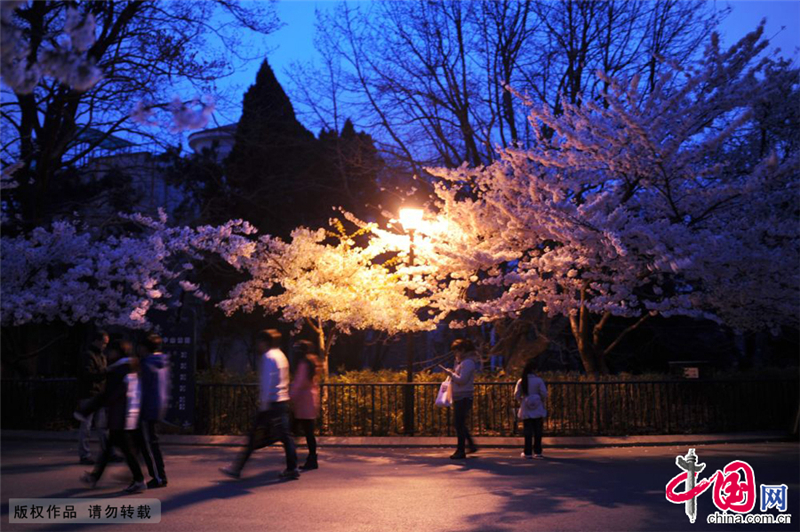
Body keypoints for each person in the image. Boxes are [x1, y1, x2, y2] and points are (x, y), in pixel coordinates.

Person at [220, 329, 299, 480]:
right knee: (286, 436)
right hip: (282, 401)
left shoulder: (268, 357)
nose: (258, 345)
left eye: (260, 342)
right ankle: (292, 468)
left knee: (254, 436)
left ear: (265, 342)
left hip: (270, 403)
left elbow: (266, 383)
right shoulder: (281, 355)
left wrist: (263, 405)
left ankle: (236, 468)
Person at [78, 340, 147, 493]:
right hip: (130, 415)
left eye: (110, 351)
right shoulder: (132, 367)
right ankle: (95, 477)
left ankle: (138, 479)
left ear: (116, 352)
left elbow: (108, 395)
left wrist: (86, 410)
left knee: (124, 450)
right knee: (110, 448)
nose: (108, 354)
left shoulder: (119, 370)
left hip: (120, 416)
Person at [136, 333, 170, 488]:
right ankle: (155, 475)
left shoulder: (145, 363)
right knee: (150, 443)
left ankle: (159, 477)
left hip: (147, 406)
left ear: (144, 348)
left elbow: (141, 387)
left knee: (149, 444)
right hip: (158, 405)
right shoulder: (162, 361)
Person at [75, 330, 110, 465]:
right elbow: (88, 374)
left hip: (97, 393)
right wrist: (105, 372)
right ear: (96, 341)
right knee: (87, 426)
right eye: (103, 343)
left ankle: (105, 452)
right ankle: (85, 454)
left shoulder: (100, 356)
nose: (104, 346)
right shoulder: (89, 356)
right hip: (89, 394)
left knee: (100, 426)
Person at [442, 338, 480, 460]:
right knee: (460, 423)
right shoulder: (463, 362)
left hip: (464, 396)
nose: (455, 353)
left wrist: (450, 374)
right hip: (461, 396)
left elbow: (462, 380)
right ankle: (470, 445)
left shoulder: (467, 362)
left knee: (459, 423)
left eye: (456, 351)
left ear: (462, 350)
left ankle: (461, 450)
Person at [290, 340, 320, 471]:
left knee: (292, 431)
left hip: (302, 402)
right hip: (310, 401)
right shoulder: (313, 361)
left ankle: (292, 459)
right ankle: (311, 458)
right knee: (309, 433)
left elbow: (299, 383)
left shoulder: (304, 363)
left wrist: (290, 396)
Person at [514, 358, 548, 459]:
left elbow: (516, 395)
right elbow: (544, 393)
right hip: (537, 407)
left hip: (526, 407)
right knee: (538, 430)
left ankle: (527, 452)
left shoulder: (521, 381)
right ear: (534, 370)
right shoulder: (539, 380)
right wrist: (540, 400)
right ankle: (538, 452)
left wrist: (522, 400)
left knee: (527, 431)